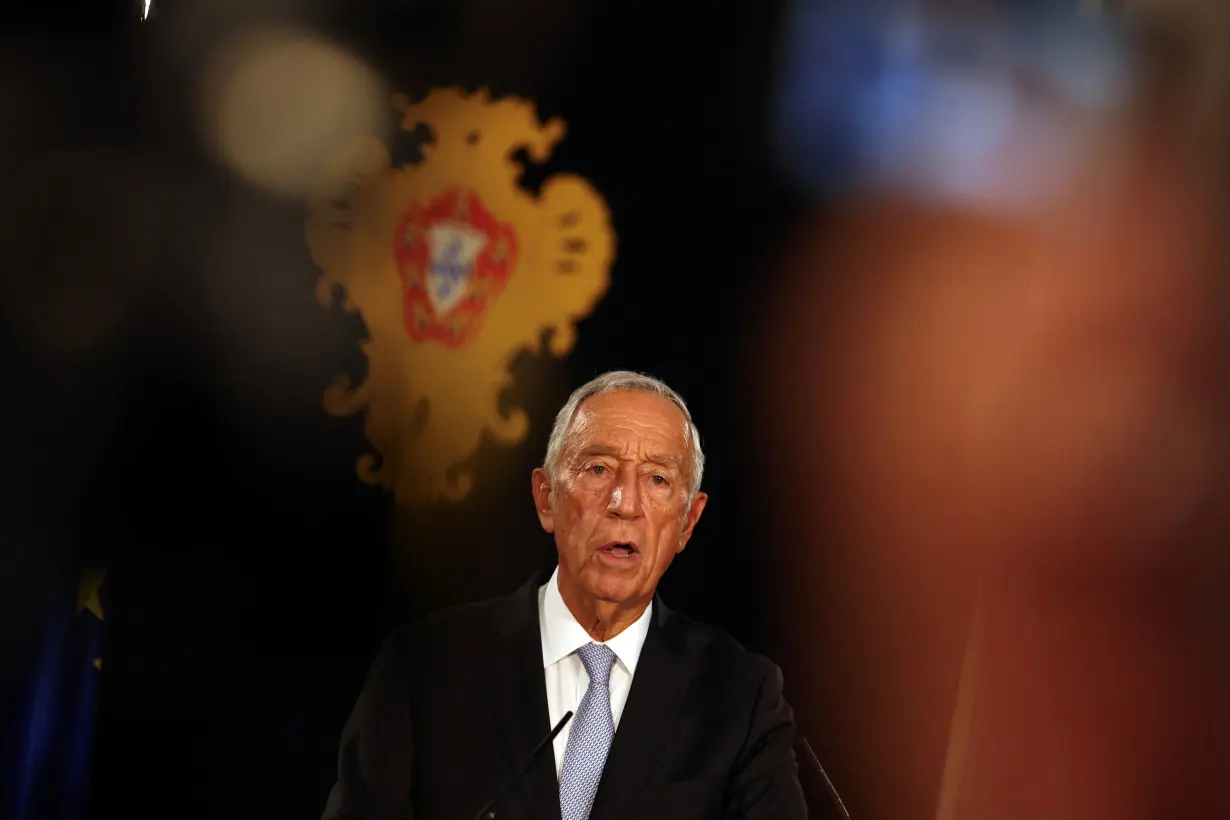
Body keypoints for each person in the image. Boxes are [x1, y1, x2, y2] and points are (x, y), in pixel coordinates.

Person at [321, 371, 806, 820]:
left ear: (687, 522)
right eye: (598, 469)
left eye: (657, 479)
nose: (626, 504)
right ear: (545, 497)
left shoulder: (739, 698)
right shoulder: (423, 667)